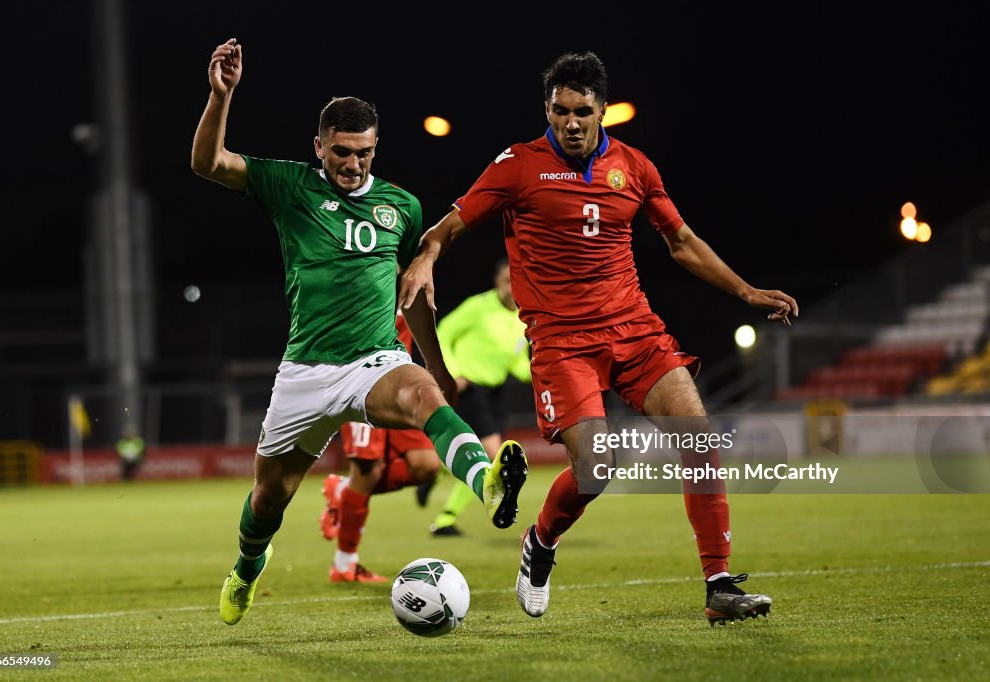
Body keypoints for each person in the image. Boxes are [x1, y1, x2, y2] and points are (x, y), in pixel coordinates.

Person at [399, 51, 797, 626]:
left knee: (701, 442)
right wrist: (429, 255)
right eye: (560, 111)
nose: (571, 123)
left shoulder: (635, 167)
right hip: (562, 341)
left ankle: (719, 586)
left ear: (602, 110)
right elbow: (451, 225)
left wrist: (745, 292)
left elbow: (680, 241)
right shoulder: (518, 165)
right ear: (547, 110)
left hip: (634, 329)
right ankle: (539, 543)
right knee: (598, 467)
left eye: (582, 111)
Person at [191, 38, 528, 626]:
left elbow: (415, 296)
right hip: (304, 369)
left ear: (377, 148)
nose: (353, 165)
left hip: (373, 359)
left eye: (364, 153)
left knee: (423, 395)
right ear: (319, 146)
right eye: (342, 153)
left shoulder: (401, 206)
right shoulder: (290, 185)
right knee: (270, 496)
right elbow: (208, 164)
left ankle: (488, 485)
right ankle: (247, 565)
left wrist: (439, 368)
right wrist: (221, 97)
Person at [318, 310, 442, 582]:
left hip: (400, 382)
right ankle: (344, 564)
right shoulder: (357, 275)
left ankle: (342, 489)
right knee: (368, 469)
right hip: (359, 378)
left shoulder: (411, 276)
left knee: (426, 465)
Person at [426, 258, 531, 536]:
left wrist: (541, 371)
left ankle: (435, 479)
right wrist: (453, 372)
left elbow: (518, 364)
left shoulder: (522, 319)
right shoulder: (478, 307)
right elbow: (443, 332)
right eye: (507, 280)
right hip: (470, 389)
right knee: (492, 455)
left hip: (496, 393)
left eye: (517, 280)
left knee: (481, 455)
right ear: (497, 281)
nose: (512, 287)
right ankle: (465, 512)